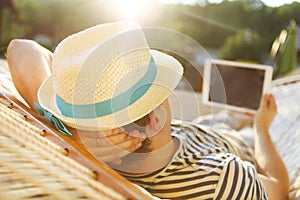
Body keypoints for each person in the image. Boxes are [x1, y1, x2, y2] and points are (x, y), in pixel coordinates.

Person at [6, 22, 289, 199]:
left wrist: (72, 130)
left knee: (228, 117)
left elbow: (20, 49)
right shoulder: (222, 179)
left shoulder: (83, 139)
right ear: (152, 120)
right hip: (238, 143)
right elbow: (280, 188)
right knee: (247, 120)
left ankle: (237, 118)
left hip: (198, 129)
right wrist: (262, 128)